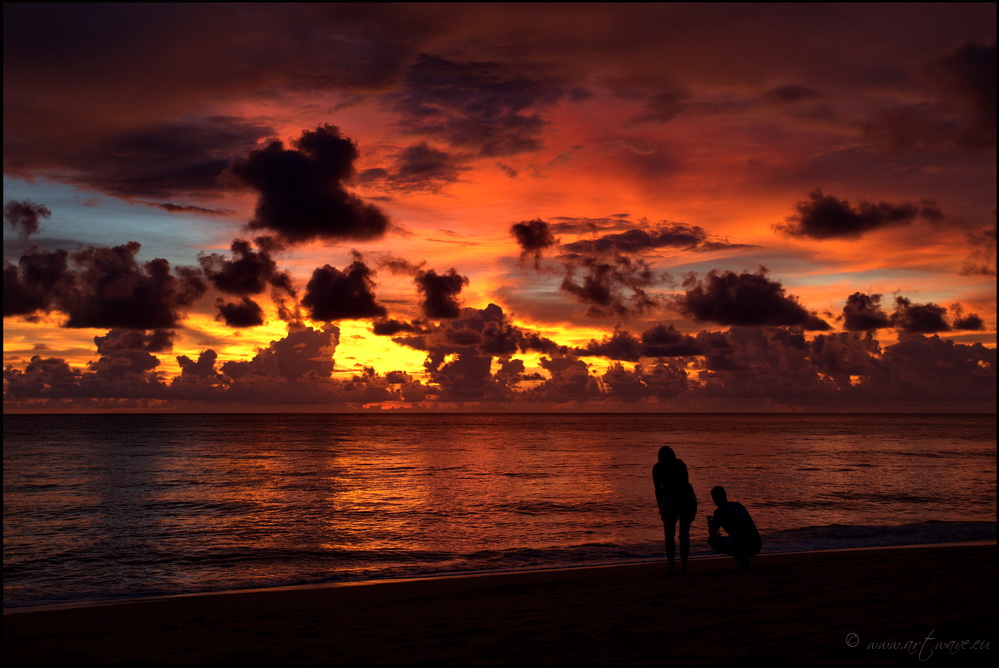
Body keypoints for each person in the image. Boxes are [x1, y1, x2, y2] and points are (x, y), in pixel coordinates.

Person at [652, 446, 697, 574]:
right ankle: (683, 566)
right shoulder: (679, 464)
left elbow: (658, 490)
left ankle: (671, 567)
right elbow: (685, 483)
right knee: (684, 534)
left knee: (670, 535)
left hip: (671, 499)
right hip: (685, 497)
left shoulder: (658, 467)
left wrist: (660, 507)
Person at [707, 485, 762, 570]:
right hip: (757, 544)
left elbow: (712, 533)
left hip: (745, 546)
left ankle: (741, 561)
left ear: (714, 498)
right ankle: (743, 559)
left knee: (712, 540)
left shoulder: (719, 512)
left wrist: (711, 524)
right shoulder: (738, 505)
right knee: (739, 536)